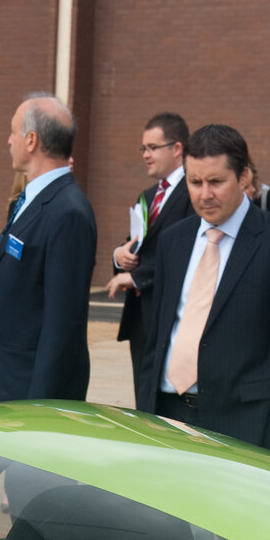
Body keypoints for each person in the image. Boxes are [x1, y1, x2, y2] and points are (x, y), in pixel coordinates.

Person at [136, 123, 270, 454]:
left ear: (243, 177)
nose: (204, 194)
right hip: (165, 415)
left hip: (244, 425)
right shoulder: (172, 241)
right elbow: (159, 333)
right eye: (195, 182)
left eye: (216, 182)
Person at [0, 94, 97, 403]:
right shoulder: (33, 199)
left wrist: (39, 407)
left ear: (31, 140)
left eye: (13, 131)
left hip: (29, 395)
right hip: (8, 381)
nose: (8, 140)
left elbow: (62, 325)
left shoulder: (67, 211)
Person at [106, 113, 192, 397]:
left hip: (170, 315)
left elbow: (186, 251)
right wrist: (120, 256)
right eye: (143, 148)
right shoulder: (147, 196)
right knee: (143, 398)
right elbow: (138, 244)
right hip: (141, 319)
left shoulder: (193, 193)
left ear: (176, 148)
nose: (145, 155)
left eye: (152, 148)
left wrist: (138, 277)